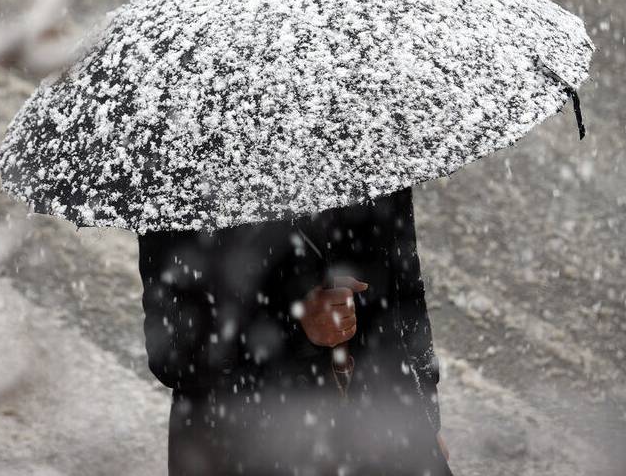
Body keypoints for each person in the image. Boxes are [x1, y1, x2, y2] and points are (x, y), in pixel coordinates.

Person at [138, 187, 451, 475]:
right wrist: (295, 325)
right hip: (245, 439)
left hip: (382, 422)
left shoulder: (370, 142)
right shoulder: (185, 171)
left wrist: (425, 416)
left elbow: (405, 290)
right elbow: (174, 350)